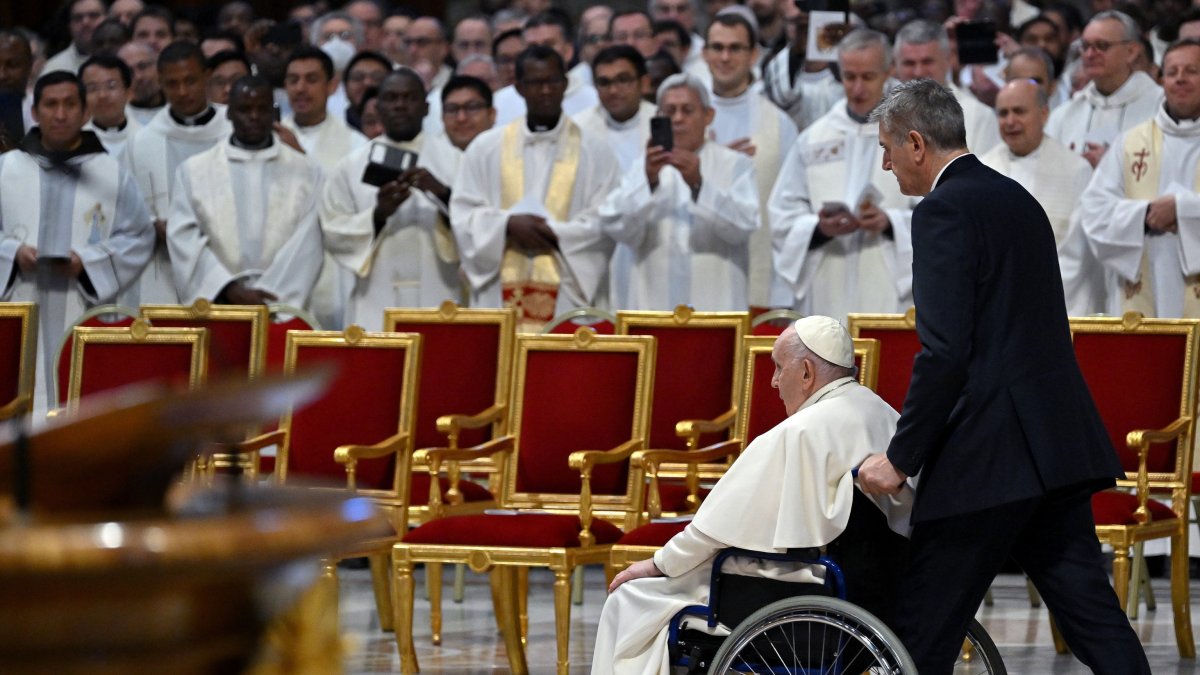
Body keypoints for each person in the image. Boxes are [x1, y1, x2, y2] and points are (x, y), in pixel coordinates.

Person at [857, 78, 1150, 675]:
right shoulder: (1016, 198)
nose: (885, 164)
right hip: (1051, 446)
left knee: (922, 628)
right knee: (1094, 620)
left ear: (916, 143)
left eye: (887, 148)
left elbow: (945, 353)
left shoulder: (941, 210)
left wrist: (901, 458)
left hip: (988, 456)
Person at [592, 316, 909, 675]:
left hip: (791, 586)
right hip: (864, 590)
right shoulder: (884, 413)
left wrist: (658, 564)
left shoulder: (798, 432)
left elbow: (710, 532)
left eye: (778, 368)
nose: (773, 381)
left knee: (630, 597)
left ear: (806, 372)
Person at [0, 71, 153, 415]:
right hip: (19, 305)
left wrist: (89, 263)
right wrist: (12, 253)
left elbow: (139, 236)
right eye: (51, 105)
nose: (60, 114)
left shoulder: (110, 173)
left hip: (82, 308)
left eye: (70, 104)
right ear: (34, 112)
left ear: (85, 112)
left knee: (78, 404)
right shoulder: (6, 170)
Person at [451, 45, 619, 329]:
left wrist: (552, 233)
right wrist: (507, 226)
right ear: (519, 87)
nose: (545, 91)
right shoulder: (485, 148)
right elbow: (463, 214)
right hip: (499, 291)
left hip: (567, 294)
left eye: (552, 81)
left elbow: (605, 221)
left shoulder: (596, 151)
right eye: (535, 83)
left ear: (565, 84)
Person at [769, 29, 914, 321]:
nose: (857, 89)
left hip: (888, 281)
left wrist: (890, 223)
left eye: (868, 77)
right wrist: (818, 228)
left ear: (889, 71)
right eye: (849, 77)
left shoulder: (911, 136)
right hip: (827, 280)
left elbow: (937, 210)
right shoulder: (814, 138)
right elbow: (782, 214)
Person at [599, 72, 758, 311]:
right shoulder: (643, 168)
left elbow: (744, 225)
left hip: (715, 307)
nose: (678, 119)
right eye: (669, 111)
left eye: (687, 110)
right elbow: (616, 226)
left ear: (708, 115)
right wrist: (648, 182)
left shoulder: (735, 164)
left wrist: (698, 185)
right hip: (652, 309)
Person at [320, 69, 463, 330]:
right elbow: (333, 229)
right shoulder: (351, 166)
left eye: (410, 98)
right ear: (378, 108)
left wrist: (442, 194)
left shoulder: (455, 161)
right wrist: (378, 215)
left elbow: (478, 225)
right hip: (375, 295)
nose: (400, 105)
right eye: (391, 98)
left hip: (440, 290)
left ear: (426, 107)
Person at [167, 75, 323, 308]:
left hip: (283, 307)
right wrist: (225, 288)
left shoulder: (306, 171)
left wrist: (271, 297)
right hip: (218, 305)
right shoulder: (193, 171)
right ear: (229, 113)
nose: (254, 116)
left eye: (262, 109)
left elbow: (309, 242)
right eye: (244, 109)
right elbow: (183, 237)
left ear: (274, 113)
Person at [1078, 38, 1200, 318]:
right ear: (1162, 81)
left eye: (1191, 71)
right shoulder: (1130, 143)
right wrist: (1145, 215)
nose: (1180, 79)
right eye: (1172, 72)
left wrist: (1182, 210)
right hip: (1144, 293)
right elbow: (1094, 212)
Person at [123, 40, 231, 305]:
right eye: (172, 83)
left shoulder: (235, 129)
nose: (182, 92)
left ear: (207, 77)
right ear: (160, 82)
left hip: (230, 265)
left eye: (190, 81)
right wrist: (151, 225)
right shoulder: (141, 143)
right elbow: (125, 213)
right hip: (165, 270)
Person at [979, 80, 1099, 314]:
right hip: (996, 303)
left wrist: (1030, 292)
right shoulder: (982, 169)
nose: (1010, 121)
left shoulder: (1076, 169)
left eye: (1019, 111)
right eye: (1003, 113)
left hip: (1055, 301)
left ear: (1044, 114)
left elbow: (1077, 252)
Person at [704, 11, 798, 311]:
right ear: (704, 54)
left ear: (753, 55)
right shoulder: (685, 117)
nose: (725, 57)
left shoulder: (780, 125)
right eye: (718, 47)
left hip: (760, 278)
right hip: (700, 272)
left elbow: (790, 205)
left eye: (735, 48)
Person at [1045, 11, 1162, 167]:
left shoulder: (1161, 107)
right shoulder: (1064, 114)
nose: (1089, 54)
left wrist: (1115, 165)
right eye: (1085, 46)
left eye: (1101, 46)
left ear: (1131, 52)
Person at [894, 20, 1000, 156]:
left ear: (948, 60)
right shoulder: (882, 115)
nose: (918, 72)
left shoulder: (980, 116)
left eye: (927, 62)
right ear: (895, 64)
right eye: (909, 63)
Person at [492, 11, 600, 126]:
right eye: (532, 46)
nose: (540, 51)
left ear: (568, 51)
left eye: (548, 44)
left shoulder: (594, 99)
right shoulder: (500, 102)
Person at [575, 45, 657, 171]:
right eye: (604, 82)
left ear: (644, 83)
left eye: (623, 80)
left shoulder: (662, 120)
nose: (613, 90)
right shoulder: (579, 127)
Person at [79, 53, 139, 155]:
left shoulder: (147, 136)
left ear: (129, 93)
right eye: (92, 88)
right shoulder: (75, 144)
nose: (102, 95)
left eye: (111, 86)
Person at [45, 0, 106, 75]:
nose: (85, 23)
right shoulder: (54, 68)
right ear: (69, 26)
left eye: (93, 15)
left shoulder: (120, 56)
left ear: (108, 18)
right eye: (78, 18)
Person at [117, 40, 162, 124]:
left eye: (143, 66)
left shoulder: (178, 108)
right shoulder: (116, 119)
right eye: (129, 72)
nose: (138, 77)